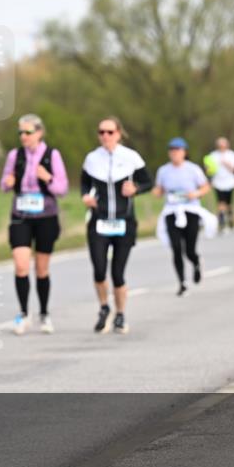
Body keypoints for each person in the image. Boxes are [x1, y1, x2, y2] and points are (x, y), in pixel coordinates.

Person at [81, 116, 152, 334]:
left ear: (119, 134)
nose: (105, 136)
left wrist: (136, 189)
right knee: (99, 270)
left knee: (118, 273)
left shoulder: (131, 157)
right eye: (101, 132)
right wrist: (86, 196)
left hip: (124, 222)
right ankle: (104, 308)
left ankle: (120, 314)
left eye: (110, 132)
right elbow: (84, 183)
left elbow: (148, 182)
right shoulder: (92, 159)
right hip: (99, 222)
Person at [0, 114, 69, 334]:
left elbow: (62, 189)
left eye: (28, 132)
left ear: (39, 133)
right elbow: (4, 184)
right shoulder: (15, 155)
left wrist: (48, 178)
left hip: (46, 216)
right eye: (20, 132)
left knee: (41, 269)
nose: (23, 136)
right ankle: (23, 314)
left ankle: (44, 314)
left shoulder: (52, 155)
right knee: (21, 265)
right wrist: (8, 182)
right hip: (21, 216)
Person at [152, 138, 215, 296]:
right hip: (171, 211)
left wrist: (196, 193)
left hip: (190, 210)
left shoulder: (193, 169)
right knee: (176, 248)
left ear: (184, 152)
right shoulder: (163, 170)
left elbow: (205, 186)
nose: (174, 153)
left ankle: (196, 262)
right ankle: (182, 282)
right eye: (172, 150)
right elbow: (159, 189)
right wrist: (156, 192)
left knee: (189, 249)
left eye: (178, 150)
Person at [208, 137, 234, 233]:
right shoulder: (213, 155)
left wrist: (226, 163)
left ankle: (231, 220)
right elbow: (209, 170)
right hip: (218, 182)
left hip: (230, 182)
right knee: (220, 203)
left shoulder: (232, 155)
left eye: (223, 145)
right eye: (220, 145)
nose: (221, 147)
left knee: (229, 203)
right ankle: (221, 222)